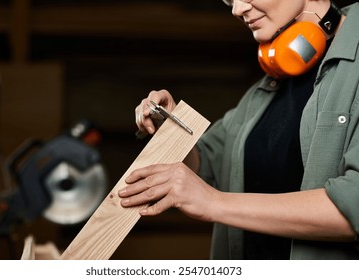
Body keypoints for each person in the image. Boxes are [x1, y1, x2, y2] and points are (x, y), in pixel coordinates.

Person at [118, 0, 359, 259]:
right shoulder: (271, 87)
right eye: (230, 0)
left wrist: (213, 202)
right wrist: (172, 127)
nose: (236, 9)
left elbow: (352, 205)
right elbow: (210, 164)